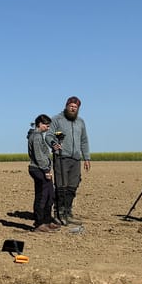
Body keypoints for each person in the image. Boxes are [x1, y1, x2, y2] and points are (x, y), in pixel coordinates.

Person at [49, 96, 90, 225]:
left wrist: (86, 157)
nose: (73, 108)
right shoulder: (57, 119)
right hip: (61, 157)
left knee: (72, 187)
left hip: (76, 159)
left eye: (75, 107)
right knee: (61, 186)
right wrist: (54, 144)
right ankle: (58, 213)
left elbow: (84, 140)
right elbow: (50, 135)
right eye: (71, 106)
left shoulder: (80, 122)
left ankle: (68, 212)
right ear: (66, 106)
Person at [27, 115, 60, 233]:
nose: (48, 128)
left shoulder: (39, 136)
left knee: (50, 195)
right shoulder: (36, 137)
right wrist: (46, 170)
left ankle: (47, 221)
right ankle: (39, 223)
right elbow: (39, 156)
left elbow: (43, 153)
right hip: (38, 169)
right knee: (42, 197)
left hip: (43, 169)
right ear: (40, 124)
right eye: (46, 125)